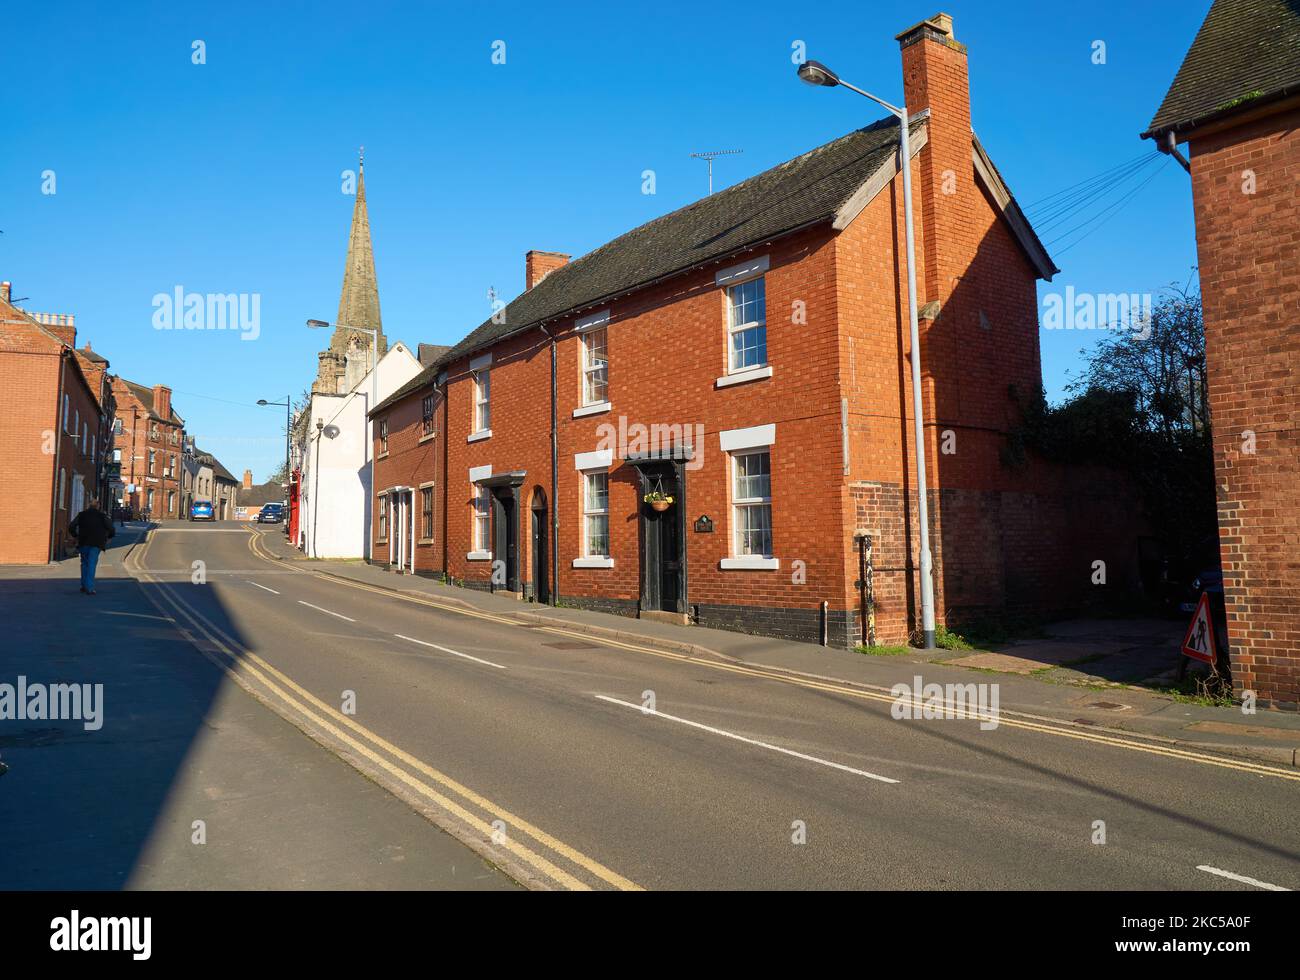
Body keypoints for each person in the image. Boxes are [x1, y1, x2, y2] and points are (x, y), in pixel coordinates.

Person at [69, 498, 115, 595]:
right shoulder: (102, 516)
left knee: (84, 563)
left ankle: (84, 585)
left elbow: (71, 526)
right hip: (96, 543)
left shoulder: (81, 515)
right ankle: (89, 588)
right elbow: (111, 528)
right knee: (91, 564)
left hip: (83, 542)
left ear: (88, 505)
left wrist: (75, 536)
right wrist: (109, 537)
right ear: (98, 506)